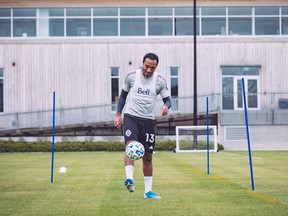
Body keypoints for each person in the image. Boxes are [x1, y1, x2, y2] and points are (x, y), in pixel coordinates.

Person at [114, 53, 171, 199]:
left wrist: (165, 107)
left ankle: (148, 192)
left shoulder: (160, 81)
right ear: (142, 64)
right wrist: (118, 115)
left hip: (148, 121)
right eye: (147, 66)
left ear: (156, 67)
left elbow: (168, 100)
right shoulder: (131, 76)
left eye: (153, 67)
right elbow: (123, 97)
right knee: (131, 146)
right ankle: (130, 179)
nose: (149, 70)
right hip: (131, 117)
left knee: (148, 157)